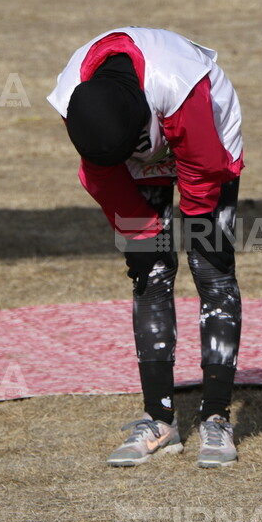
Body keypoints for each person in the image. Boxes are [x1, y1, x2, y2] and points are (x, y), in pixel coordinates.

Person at [47, 27, 244, 468]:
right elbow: (101, 175)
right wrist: (139, 236)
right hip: (131, 150)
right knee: (150, 272)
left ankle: (216, 417)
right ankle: (160, 419)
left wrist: (199, 227)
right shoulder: (72, 99)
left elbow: (202, 167)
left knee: (210, 264)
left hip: (204, 136)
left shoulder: (178, 84)